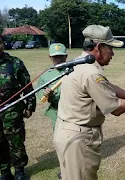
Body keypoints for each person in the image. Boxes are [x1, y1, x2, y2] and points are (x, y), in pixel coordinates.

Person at [53, 25, 125, 180]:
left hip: (68, 132)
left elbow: (108, 87)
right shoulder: (91, 73)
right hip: (79, 139)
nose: (113, 53)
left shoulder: (80, 62)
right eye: (110, 48)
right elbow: (116, 109)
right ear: (99, 47)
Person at [0, 35, 36, 180]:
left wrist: (30, 106)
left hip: (12, 110)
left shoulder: (14, 63)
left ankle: (20, 171)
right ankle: (4, 172)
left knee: (16, 142)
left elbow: (28, 87)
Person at [36, 43, 68, 179]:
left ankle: (76, 166)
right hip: (57, 113)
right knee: (61, 143)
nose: (58, 59)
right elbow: (40, 96)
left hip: (75, 112)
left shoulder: (74, 69)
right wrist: (46, 93)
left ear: (66, 56)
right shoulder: (46, 75)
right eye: (55, 57)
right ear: (50, 57)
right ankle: (64, 168)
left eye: (61, 56)